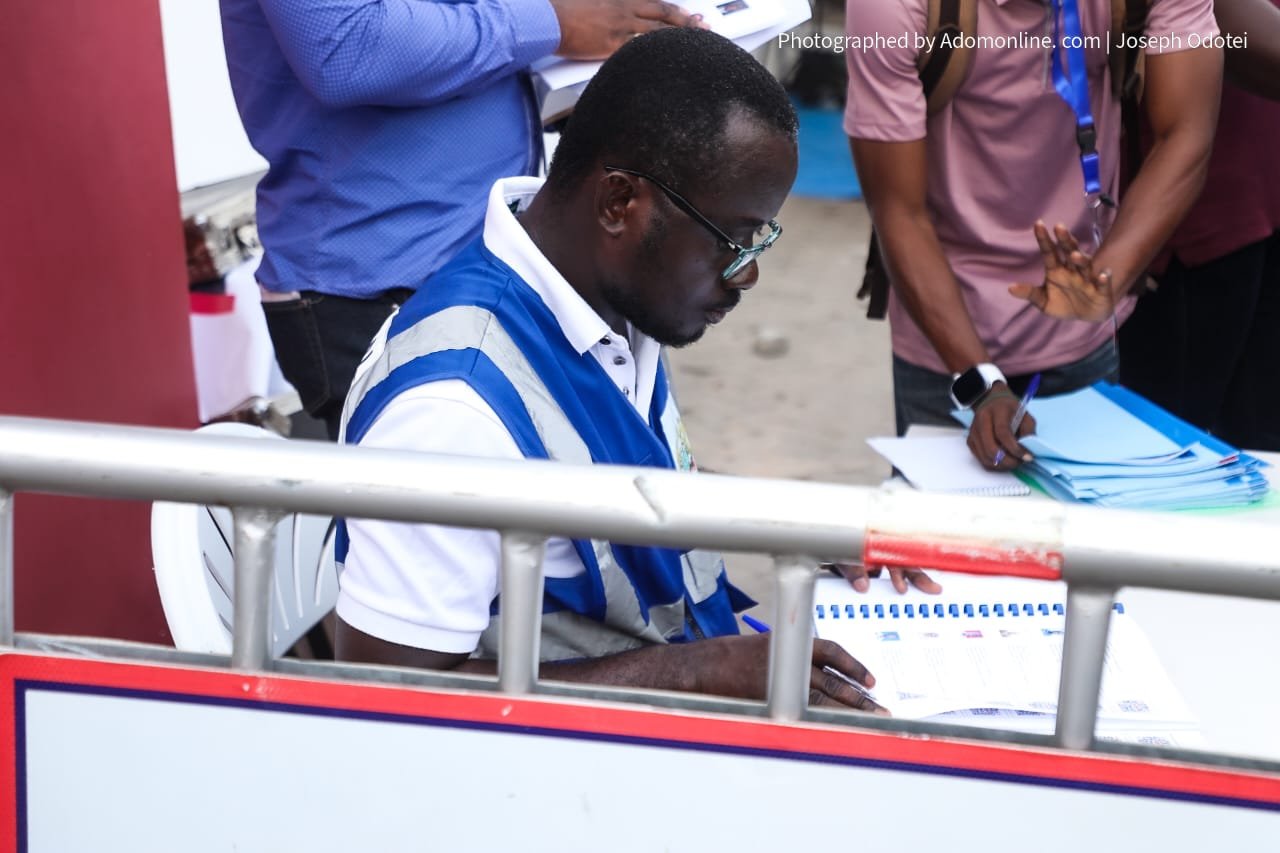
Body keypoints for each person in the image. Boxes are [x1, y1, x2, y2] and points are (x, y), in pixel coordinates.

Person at [330, 28, 882, 711]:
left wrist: (807, 527)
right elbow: (385, 701)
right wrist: (700, 674)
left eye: (759, 239)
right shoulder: (454, 409)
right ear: (620, 202)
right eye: (732, 240)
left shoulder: (605, 297)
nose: (749, 273)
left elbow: (633, 483)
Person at [219, 0, 703, 439]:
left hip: (514, 264)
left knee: (610, 507)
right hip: (386, 287)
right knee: (458, 526)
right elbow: (346, 47)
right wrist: (552, 23)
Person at [844, 0, 1222, 469]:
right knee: (951, 536)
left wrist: (1103, 282)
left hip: (1085, 333)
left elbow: (1185, 135)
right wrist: (980, 384)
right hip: (943, 324)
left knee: (1083, 536)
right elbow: (897, 209)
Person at [1119, 0, 1280, 452]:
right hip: (1193, 227)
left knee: (1260, 457)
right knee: (1166, 460)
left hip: (1262, 196)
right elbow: (1230, 22)